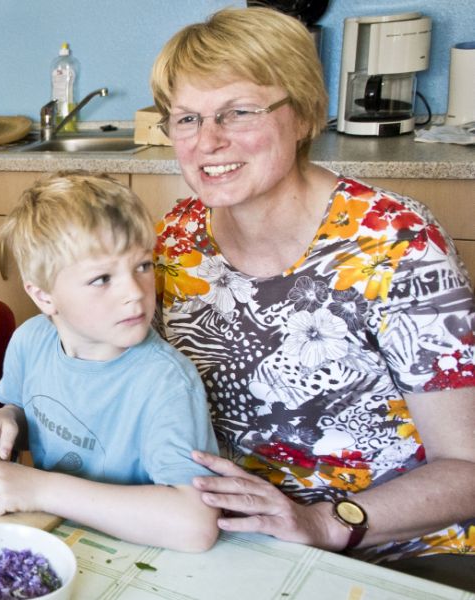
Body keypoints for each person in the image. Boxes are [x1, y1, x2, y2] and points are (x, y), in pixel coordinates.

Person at [149, 6, 475, 588]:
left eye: (238, 111)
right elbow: (132, 369)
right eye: (186, 118)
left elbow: (467, 467)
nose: (208, 141)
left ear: (301, 116)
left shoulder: (396, 245)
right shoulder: (177, 240)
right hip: (236, 539)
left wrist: (323, 524)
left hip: (398, 551)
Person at [0, 172, 220, 552]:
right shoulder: (30, 343)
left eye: (143, 266)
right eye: (102, 278)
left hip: (139, 552)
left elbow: (196, 525)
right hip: (64, 540)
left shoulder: (166, 382)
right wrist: (7, 418)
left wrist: (43, 488)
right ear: (44, 296)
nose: (134, 292)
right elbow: (24, 405)